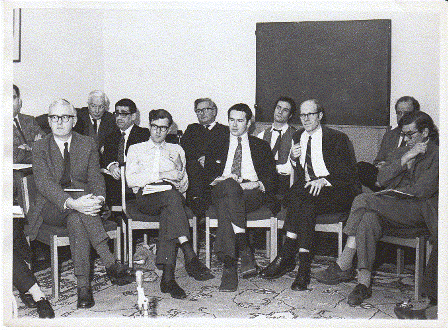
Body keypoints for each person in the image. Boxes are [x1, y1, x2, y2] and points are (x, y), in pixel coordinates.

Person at [313, 111, 438, 307]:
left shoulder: (437, 154)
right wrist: (406, 158)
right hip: (394, 208)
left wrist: (396, 190)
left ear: (425, 132)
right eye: (403, 134)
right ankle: (364, 284)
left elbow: (421, 191)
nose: (406, 139)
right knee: (368, 218)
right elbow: (380, 180)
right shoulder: (403, 151)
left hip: (419, 212)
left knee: (363, 199)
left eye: (411, 134)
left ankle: (344, 262)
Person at [27, 99, 135, 309]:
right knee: (77, 212)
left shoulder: (87, 143)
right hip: (51, 206)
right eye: (54, 117)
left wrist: (99, 199)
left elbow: (96, 178)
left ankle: (83, 287)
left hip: (83, 207)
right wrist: (71, 202)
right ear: (48, 121)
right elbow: (44, 184)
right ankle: (110, 263)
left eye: (65, 117)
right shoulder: (40, 147)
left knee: (77, 219)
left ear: (74, 120)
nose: (59, 122)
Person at [260, 99, 360, 291]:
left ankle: (287, 255)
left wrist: (324, 180)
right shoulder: (298, 136)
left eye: (310, 115)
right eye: (302, 115)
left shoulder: (337, 138)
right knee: (304, 200)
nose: (305, 119)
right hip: (308, 192)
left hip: (335, 189)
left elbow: (349, 174)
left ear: (320, 116)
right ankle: (303, 266)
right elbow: (300, 174)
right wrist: (293, 158)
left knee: (301, 198)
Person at [126, 109, 214, 300]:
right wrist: (162, 175)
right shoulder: (136, 148)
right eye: (155, 127)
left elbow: (184, 186)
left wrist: (180, 172)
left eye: (163, 128)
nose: (158, 132)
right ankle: (188, 251)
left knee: (171, 206)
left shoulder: (177, 150)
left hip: (172, 197)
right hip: (147, 196)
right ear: (149, 126)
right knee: (172, 199)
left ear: (169, 129)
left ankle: (168, 278)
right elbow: (131, 180)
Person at [203, 103, 280, 292]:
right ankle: (244, 247)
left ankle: (229, 266)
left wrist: (255, 184)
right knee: (229, 186)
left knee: (228, 202)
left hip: (250, 192)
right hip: (222, 189)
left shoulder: (261, 146)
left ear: (249, 122)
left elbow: (271, 178)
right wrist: (222, 179)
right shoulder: (217, 143)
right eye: (231, 120)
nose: (234, 125)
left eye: (240, 120)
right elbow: (207, 175)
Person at [13, 85, 54, 318]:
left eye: (13, 98)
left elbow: (44, 151)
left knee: (12, 233)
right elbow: (12, 154)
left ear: (20, 100)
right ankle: (33, 291)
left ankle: (30, 289)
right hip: (11, 186)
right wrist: (30, 148)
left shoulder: (30, 121)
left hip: (32, 183)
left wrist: (29, 149)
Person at [357, 96, 419, 192]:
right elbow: (378, 160)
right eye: (399, 113)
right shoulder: (390, 135)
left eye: (407, 113)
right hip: (386, 175)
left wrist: (391, 165)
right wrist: (380, 165)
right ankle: (385, 190)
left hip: (404, 176)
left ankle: (386, 191)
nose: (402, 116)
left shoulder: (419, 134)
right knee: (360, 167)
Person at [180, 98, 229, 218]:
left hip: (215, 171)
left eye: (205, 109)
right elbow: (185, 149)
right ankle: (198, 202)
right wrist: (200, 159)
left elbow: (226, 153)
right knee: (192, 166)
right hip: (195, 171)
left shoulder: (225, 131)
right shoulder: (192, 129)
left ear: (214, 111)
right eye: (198, 111)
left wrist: (209, 160)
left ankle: (198, 202)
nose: (202, 113)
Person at [101, 98, 150, 207]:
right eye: (117, 113)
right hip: (114, 180)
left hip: (134, 179)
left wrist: (124, 169)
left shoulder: (144, 134)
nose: (118, 117)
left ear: (133, 116)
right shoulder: (110, 136)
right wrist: (111, 166)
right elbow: (106, 157)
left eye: (123, 114)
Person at [257, 96, 297, 196]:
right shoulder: (261, 135)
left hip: (285, 182)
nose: (280, 112)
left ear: (290, 115)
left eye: (285, 110)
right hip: (264, 180)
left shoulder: (296, 136)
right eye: (278, 108)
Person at [74, 90, 120, 162]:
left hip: (102, 162)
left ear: (105, 107)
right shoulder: (78, 117)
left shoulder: (111, 119)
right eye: (93, 106)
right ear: (88, 105)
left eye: (101, 107)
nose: (97, 111)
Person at [13, 85, 45, 164]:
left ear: (19, 102)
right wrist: (34, 146)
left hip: (37, 166)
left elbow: (44, 140)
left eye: (13, 97)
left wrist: (24, 148)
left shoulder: (30, 120)